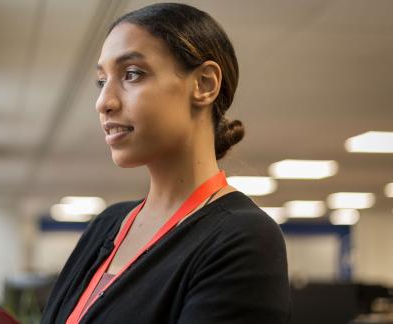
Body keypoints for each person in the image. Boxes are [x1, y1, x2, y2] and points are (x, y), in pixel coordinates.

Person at [40, 3, 291, 323]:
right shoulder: (107, 224)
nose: (103, 102)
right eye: (102, 81)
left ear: (204, 84)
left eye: (132, 74)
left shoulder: (242, 238)